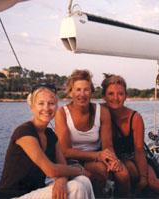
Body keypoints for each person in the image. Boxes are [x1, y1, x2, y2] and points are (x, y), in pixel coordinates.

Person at [0, 84, 95, 199]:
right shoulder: (24, 132)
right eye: (41, 104)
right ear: (32, 107)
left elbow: (62, 165)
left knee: (83, 181)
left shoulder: (50, 135)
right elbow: (51, 170)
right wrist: (81, 170)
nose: (47, 108)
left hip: (35, 191)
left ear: (56, 107)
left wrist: (61, 181)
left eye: (51, 104)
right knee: (75, 187)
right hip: (13, 196)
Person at [101, 73, 159, 198]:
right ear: (104, 96)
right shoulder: (99, 112)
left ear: (125, 96)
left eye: (120, 94)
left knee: (152, 182)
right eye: (111, 94)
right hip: (118, 157)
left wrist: (144, 177)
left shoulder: (134, 118)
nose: (116, 98)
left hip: (138, 154)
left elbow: (139, 149)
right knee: (129, 168)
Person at [55, 69, 131, 198]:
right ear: (70, 92)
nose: (82, 94)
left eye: (86, 90)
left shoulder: (102, 111)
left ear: (91, 92)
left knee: (123, 174)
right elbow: (65, 151)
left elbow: (108, 145)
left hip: (97, 156)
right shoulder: (62, 113)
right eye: (78, 90)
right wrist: (98, 155)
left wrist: (112, 159)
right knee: (100, 170)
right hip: (72, 161)